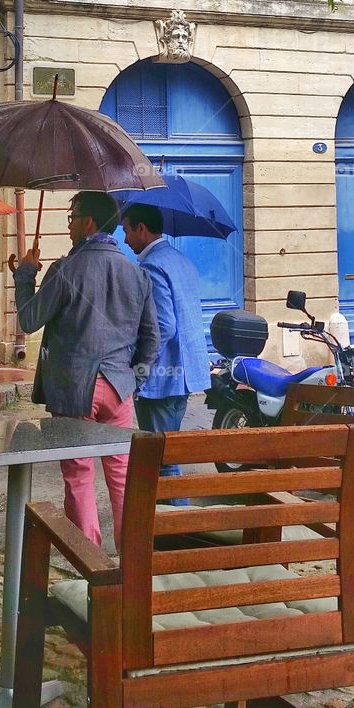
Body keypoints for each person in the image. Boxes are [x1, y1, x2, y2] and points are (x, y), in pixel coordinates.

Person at [13, 191, 158, 548]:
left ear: (88, 222)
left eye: (71, 218)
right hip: (119, 388)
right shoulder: (136, 273)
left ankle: (88, 559)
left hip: (75, 389)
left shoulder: (66, 269)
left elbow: (29, 319)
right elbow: (152, 338)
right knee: (122, 474)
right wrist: (132, 379)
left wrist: (26, 275)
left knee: (78, 473)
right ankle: (132, 558)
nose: (69, 225)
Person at [122, 204, 211, 498]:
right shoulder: (180, 260)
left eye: (127, 231)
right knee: (168, 454)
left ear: (142, 230)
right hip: (186, 374)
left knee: (162, 460)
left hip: (162, 379)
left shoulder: (151, 266)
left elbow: (162, 325)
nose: (125, 240)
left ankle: (174, 527)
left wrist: (139, 367)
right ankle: (172, 526)